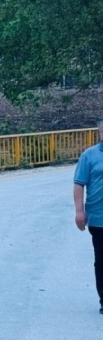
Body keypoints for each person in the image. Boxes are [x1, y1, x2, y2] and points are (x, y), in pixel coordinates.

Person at [74, 118, 103, 314]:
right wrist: (79, 211)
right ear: (100, 133)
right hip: (98, 218)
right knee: (101, 260)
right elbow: (79, 184)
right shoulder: (89, 156)